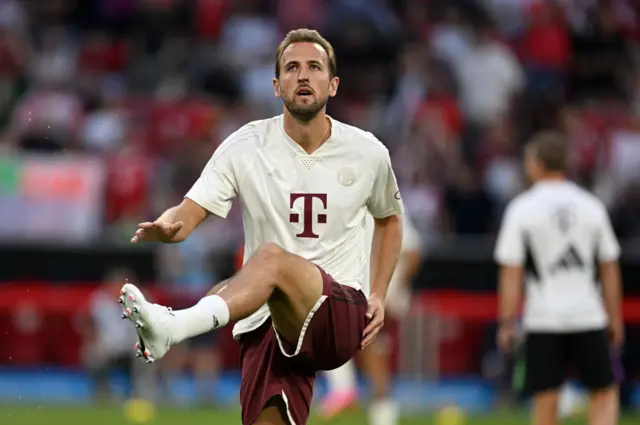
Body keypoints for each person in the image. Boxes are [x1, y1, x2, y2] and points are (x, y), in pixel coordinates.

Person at [118, 28, 404, 425]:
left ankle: (174, 325)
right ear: (276, 85)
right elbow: (188, 211)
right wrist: (168, 225)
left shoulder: (368, 152)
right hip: (266, 320)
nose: (303, 76)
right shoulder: (245, 144)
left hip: (337, 310)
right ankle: (175, 326)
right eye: (292, 68)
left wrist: (379, 292)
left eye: (314, 67)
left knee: (269, 259)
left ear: (333, 84)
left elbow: (390, 219)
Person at [495, 131, 623, 425]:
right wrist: (614, 318)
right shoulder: (592, 205)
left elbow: (512, 271)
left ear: (537, 164)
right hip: (588, 314)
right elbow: (609, 267)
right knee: (604, 393)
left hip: (543, 317)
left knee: (546, 398)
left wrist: (506, 321)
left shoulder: (521, 209)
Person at [320, 212, 422, 425]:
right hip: (352, 292)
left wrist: (390, 291)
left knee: (370, 348)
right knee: (351, 341)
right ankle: (354, 396)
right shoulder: (340, 201)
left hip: (377, 295)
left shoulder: (385, 201)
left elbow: (413, 253)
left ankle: (347, 391)